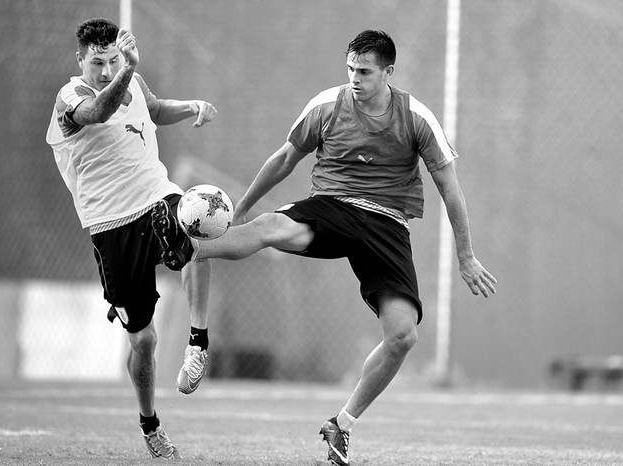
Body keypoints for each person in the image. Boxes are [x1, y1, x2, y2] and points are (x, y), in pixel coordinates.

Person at [153, 30, 497, 465]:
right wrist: (239, 210)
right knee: (269, 227)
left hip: (387, 224)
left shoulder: (416, 118)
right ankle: (186, 260)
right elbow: (283, 159)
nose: (355, 78)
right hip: (333, 206)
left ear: (389, 72)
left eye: (366, 72)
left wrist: (466, 255)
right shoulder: (327, 106)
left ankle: (342, 424)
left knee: (403, 336)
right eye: (351, 68)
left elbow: (451, 188)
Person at [46, 17, 218, 459]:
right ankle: (150, 425)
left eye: (113, 61)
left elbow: (154, 108)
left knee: (200, 224)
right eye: (97, 62)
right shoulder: (71, 97)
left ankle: (198, 343)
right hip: (109, 225)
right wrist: (127, 68)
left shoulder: (132, 78)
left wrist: (192, 106)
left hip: (155, 197)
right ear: (80, 59)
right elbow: (99, 110)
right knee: (144, 342)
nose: (106, 70)